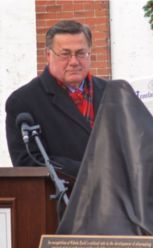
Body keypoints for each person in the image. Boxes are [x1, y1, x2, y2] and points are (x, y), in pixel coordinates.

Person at [6, 20, 108, 178]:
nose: (74, 62)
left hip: (117, 198)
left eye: (81, 53)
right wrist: (91, 172)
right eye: (65, 54)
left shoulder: (111, 92)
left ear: (90, 53)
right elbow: (29, 163)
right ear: (48, 55)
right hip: (63, 199)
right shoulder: (23, 101)